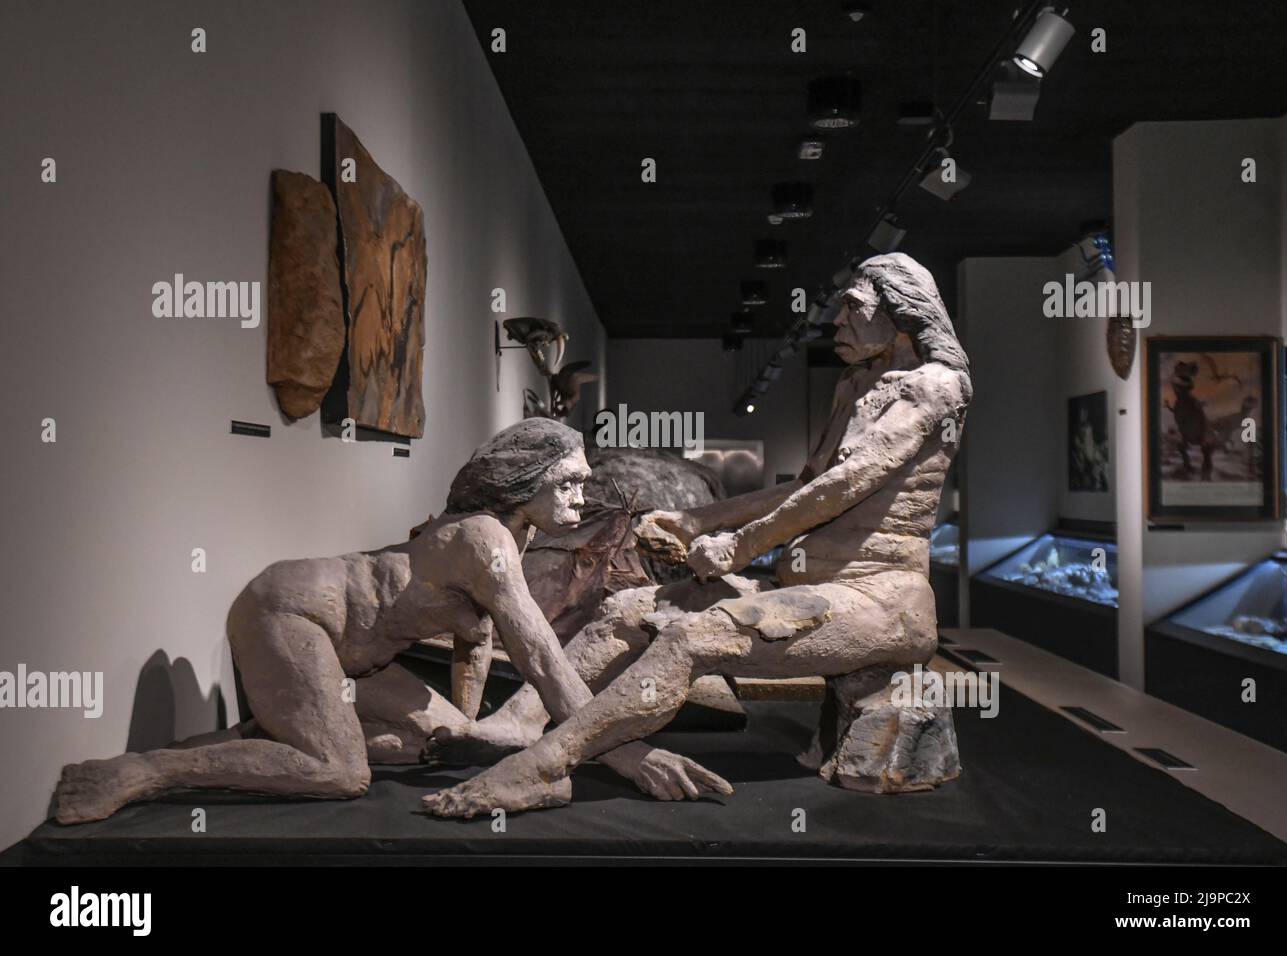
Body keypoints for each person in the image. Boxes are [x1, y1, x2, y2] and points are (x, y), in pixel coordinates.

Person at [423, 253, 973, 819]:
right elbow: (807, 484)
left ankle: (542, 768)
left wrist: (740, 546)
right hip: (820, 591)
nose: (837, 322)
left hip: (881, 600)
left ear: (901, 312)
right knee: (629, 609)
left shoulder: (935, 386)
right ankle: (517, 724)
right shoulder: (855, 384)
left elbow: (846, 484)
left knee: (692, 639)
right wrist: (696, 522)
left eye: (855, 307)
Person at [52, 418, 728, 824]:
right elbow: (543, 660)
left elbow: (479, 642)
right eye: (568, 483)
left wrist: (464, 727)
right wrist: (628, 754)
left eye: (582, 484)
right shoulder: (485, 540)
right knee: (339, 774)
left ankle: (260, 734)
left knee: (433, 741)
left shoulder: (508, 540)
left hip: (354, 658)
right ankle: (143, 772)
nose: (580, 500)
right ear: (526, 482)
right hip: (291, 611)